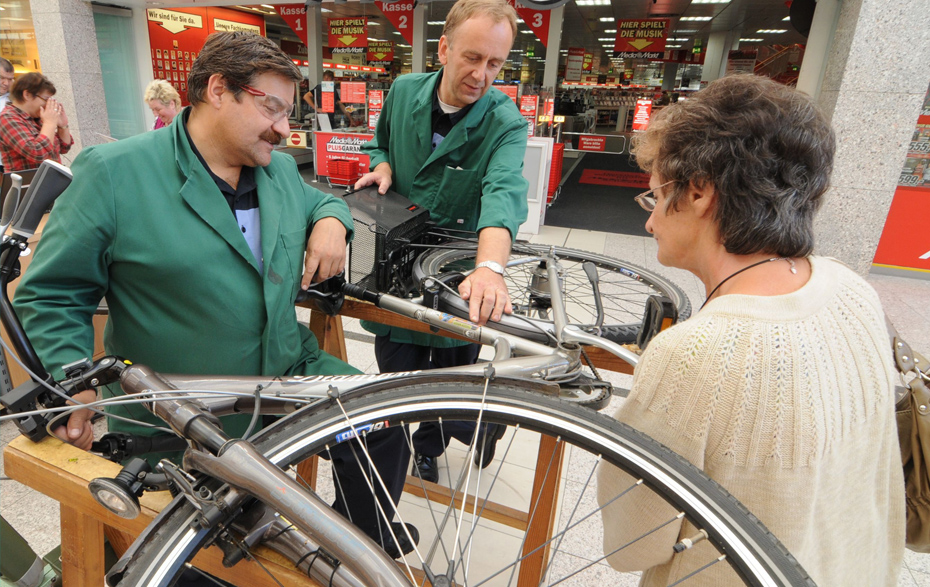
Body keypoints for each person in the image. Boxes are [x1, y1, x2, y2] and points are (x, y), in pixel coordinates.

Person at [13, 31, 415, 560]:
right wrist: (71, 382)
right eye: (271, 107)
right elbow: (51, 294)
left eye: (288, 112)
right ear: (219, 90)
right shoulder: (116, 173)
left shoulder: (273, 170)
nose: (282, 127)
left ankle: (360, 549)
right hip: (178, 411)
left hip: (285, 370)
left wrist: (333, 223)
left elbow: (322, 202)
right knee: (200, 554)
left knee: (385, 423)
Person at [596, 74, 904, 586]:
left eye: (654, 198)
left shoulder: (695, 354)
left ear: (698, 192)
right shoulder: (852, 291)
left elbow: (631, 543)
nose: (649, 223)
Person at [354, 0, 529, 484]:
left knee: (452, 370)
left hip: (458, 266)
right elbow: (379, 142)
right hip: (396, 253)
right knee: (397, 367)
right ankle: (403, 439)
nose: (482, 74)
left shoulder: (505, 121)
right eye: (472, 57)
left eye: (495, 63)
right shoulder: (403, 90)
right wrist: (383, 163)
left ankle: (432, 443)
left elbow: (503, 194)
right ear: (444, 47)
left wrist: (490, 269)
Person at [0, 72, 73, 173]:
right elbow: (37, 153)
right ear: (27, 95)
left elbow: (64, 148)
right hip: (29, 185)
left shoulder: (37, 117)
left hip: (51, 180)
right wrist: (49, 124)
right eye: (46, 99)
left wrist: (63, 126)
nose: (48, 104)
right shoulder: (7, 118)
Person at [0, 57, 13, 172]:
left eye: (10, 79)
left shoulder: (15, 101)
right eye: (2, 78)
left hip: (6, 164)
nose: (6, 83)